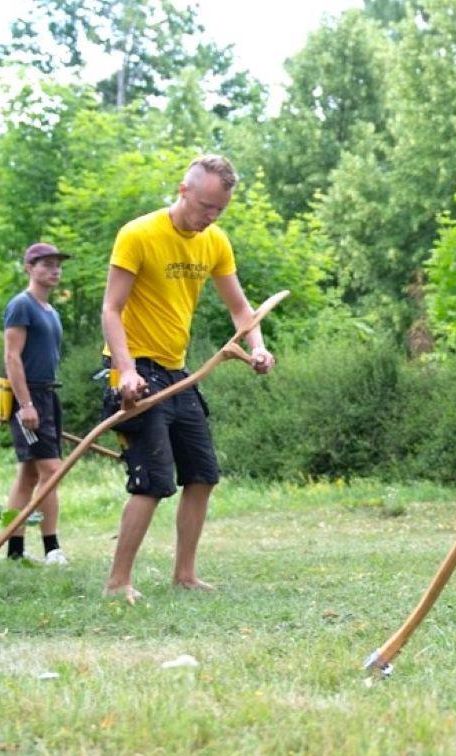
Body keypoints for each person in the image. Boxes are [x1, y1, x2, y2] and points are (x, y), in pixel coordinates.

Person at [101, 155, 274, 603]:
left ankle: (185, 574)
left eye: (219, 210)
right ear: (183, 190)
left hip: (178, 374)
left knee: (202, 474)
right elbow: (111, 310)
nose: (210, 217)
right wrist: (127, 372)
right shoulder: (138, 234)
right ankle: (118, 582)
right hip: (134, 372)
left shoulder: (214, 241)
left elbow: (240, 308)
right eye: (204, 206)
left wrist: (256, 346)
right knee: (154, 480)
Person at [2, 242, 72, 566]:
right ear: (29, 268)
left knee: (29, 476)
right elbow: (12, 357)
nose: (54, 270)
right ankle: (52, 549)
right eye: (46, 265)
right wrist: (25, 404)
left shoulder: (51, 311)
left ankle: (15, 551)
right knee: (52, 471)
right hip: (29, 396)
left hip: (48, 395)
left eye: (57, 265)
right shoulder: (21, 305)